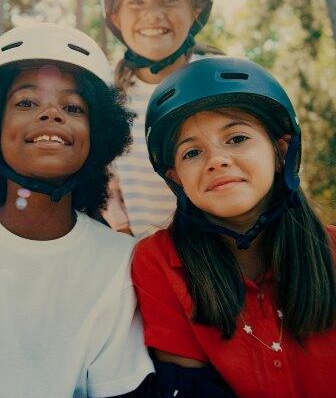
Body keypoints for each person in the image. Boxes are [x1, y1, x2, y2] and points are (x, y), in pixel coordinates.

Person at [0, 23, 154, 398]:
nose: (51, 114)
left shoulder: (122, 261)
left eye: (73, 107)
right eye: (26, 102)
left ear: (96, 132)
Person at [132, 56, 336, 397]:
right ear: (176, 178)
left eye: (237, 138)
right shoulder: (159, 262)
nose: (217, 160)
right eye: (192, 153)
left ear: (281, 150)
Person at [100, 0, 217, 239]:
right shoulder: (106, 93)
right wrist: (121, 227)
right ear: (115, 16)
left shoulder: (218, 81)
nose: (153, 14)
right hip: (144, 255)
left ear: (196, 9)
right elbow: (105, 177)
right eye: (136, 1)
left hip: (219, 250)